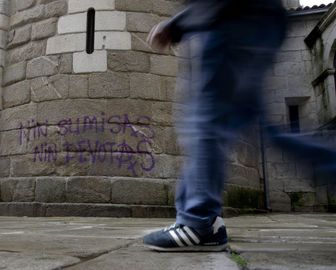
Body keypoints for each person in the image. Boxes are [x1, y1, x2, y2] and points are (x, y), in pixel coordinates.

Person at [143, 0, 336, 252]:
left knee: (206, 121)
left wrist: (178, 23)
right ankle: (204, 221)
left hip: (233, 18)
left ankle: (199, 222)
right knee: (259, 128)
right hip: (249, 18)